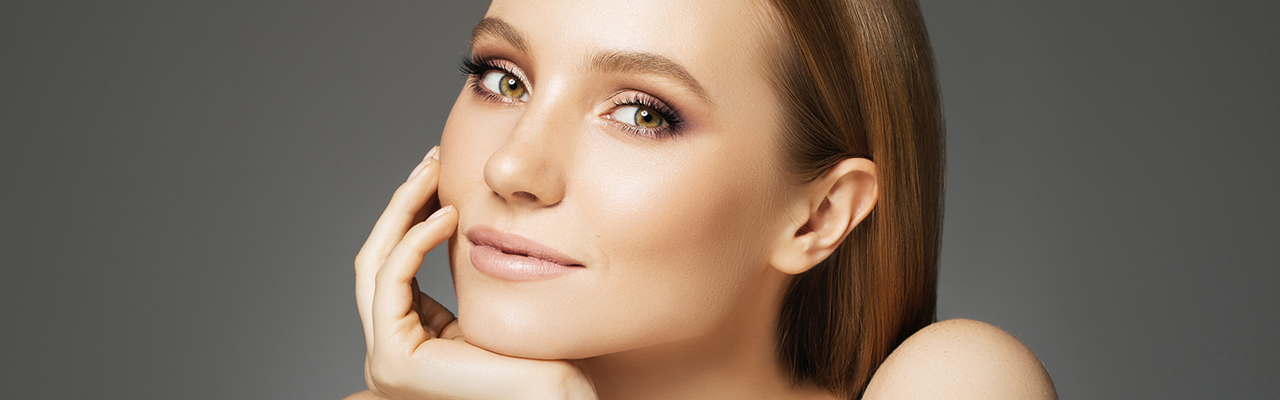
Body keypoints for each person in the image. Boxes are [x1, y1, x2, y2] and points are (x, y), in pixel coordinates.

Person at [348, 0, 1057, 398]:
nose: (511, 166)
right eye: (504, 79)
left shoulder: (960, 382)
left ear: (820, 215)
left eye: (643, 114)